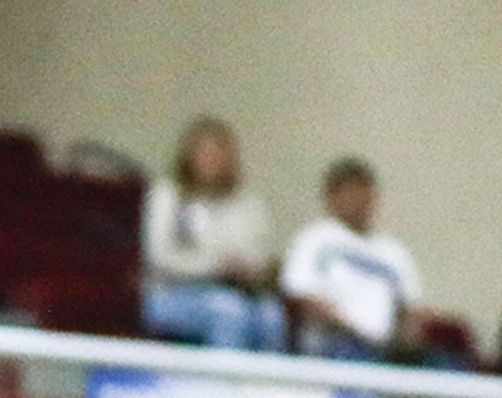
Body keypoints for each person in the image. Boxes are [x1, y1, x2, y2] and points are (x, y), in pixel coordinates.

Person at [142, 117, 280, 351]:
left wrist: (247, 269)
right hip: (171, 293)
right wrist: (213, 267)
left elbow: (261, 256)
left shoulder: (248, 203)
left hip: (239, 290)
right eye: (205, 154)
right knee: (227, 311)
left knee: (271, 315)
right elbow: (159, 257)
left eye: (220, 154)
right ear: (189, 156)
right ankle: (224, 386)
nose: (213, 161)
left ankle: (264, 387)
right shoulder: (169, 196)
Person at [277, 156, 434, 360]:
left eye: (366, 192)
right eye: (352, 192)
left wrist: (403, 340)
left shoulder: (393, 252)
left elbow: (411, 309)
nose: (361, 200)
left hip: (386, 349)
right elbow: (303, 297)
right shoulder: (315, 239)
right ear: (332, 197)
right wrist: (354, 328)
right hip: (333, 344)